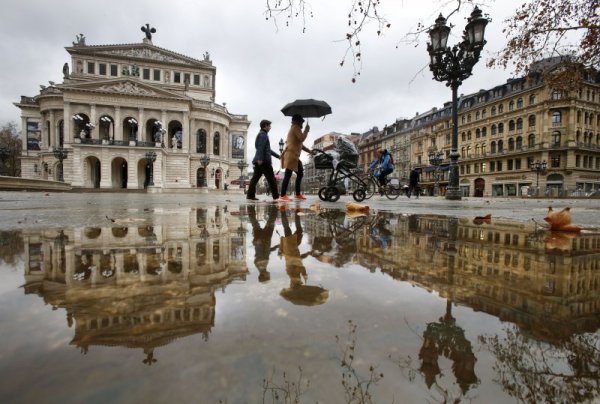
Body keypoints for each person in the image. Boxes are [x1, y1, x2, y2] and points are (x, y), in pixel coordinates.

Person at [278, 114, 310, 201]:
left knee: (300, 174)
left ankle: (297, 194)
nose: (302, 124)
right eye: (301, 122)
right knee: (288, 175)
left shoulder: (294, 128)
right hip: (291, 156)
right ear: (297, 121)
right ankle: (283, 195)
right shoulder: (296, 127)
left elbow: (300, 144)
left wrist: (310, 151)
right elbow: (301, 138)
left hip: (294, 156)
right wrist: (306, 130)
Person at [246, 119, 280, 201]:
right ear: (265, 126)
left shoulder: (262, 134)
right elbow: (260, 147)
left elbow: (267, 149)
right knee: (271, 179)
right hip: (264, 161)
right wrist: (260, 159)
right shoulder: (263, 135)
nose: (270, 127)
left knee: (255, 178)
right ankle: (276, 197)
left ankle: (250, 195)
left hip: (260, 160)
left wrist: (278, 156)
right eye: (269, 126)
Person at [248, 204, 278, 282]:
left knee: (271, 221)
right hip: (262, 240)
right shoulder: (261, 266)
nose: (269, 275)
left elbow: (260, 253)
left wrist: (259, 241)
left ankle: (275, 206)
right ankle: (250, 208)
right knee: (255, 224)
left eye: (268, 277)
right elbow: (266, 252)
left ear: (264, 276)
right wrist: (276, 247)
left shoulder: (261, 265)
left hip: (264, 239)